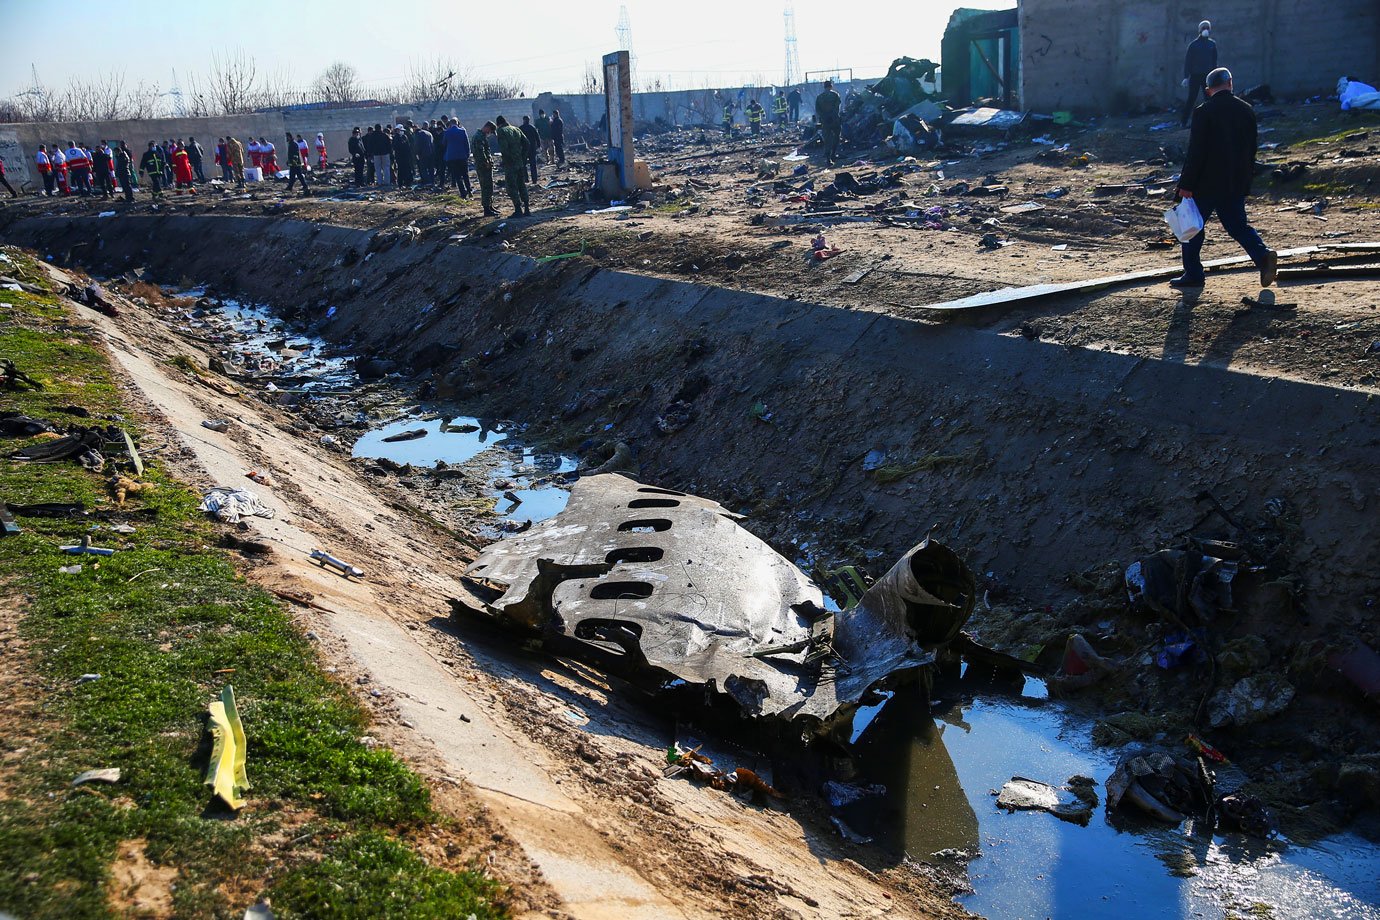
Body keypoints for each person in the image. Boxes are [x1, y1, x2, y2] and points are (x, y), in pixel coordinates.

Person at [1172, 67, 1276, 290]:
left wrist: (1186, 185)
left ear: (1208, 90)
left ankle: (1193, 273)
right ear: (1230, 83)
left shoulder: (1204, 111)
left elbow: (1196, 151)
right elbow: (1251, 149)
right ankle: (1263, 256)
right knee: (1238, 227)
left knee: (1191, 227)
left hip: (1205, 183)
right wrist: (1246, 179)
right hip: (1235, 182)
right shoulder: (1246, 110)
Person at [1181, 21, 1217, 127]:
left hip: (1208, 76)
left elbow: (1214, 61)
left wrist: (1215, 74)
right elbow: (1188, 61)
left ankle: (1211, 121)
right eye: (1203, 27)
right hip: (1195, 75)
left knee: (1209, 100)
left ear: (1209, 29)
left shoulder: (1212, 44)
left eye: (1207, 27)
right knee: (1191, 99)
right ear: (1199, 30)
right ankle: (1183, 122)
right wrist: (1185, 77)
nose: (1205, 29)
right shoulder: (1193, 45)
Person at [495, 115, 530, 217]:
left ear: (498, 124)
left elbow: (504, 149)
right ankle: (527, 208)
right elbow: (527, 143)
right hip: (520, 162)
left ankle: (518, 209)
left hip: (510, 163)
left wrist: (506, 160)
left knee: (511, 186)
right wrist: (523, 157)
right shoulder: (516, 129)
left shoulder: (501, 131)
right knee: (522, 185)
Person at [473, 121, 499, 216]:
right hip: (483, 166)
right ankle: (486, 209)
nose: (490, 134)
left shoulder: (482, 136)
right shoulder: (478, 137)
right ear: (487, 127)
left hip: (486, 166)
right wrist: (486, 162)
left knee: (490, 186)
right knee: (485, 187)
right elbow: (480, 152)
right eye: (490, 131)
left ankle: (490, 205)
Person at [442, 118, 471, 195]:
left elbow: (444, 143)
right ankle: (469, 190)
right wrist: (467, 154)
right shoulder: (462, 131)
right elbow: (467, 144)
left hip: (452, 157)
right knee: (465, 175)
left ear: (450, 124)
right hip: (462, 155)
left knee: (457, 176)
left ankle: (463, 192)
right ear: (458, 123)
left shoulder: (447, 132)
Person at [815, 79, 842, 165]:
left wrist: (824, 117)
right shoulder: (835, 95)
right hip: (834, 120)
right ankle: (833, 154)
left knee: (827, 140)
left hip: (825, 121)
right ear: (831, 86)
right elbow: (837, 108)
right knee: (836, 137)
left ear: (824, 87)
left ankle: (828, 159)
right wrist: (832, 116)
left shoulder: (819, 97)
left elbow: (818, 110)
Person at [365, 123, 391, 187]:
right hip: (385, 153)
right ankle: (387, 181)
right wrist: (389, 152)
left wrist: (370, 154)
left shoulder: (372, 136)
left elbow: (369, 146)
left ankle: (379, 182)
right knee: (386, 167)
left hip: (376, 154)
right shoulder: (385, 135)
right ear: (381, 128)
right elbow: (389, 144)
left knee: (378, 168)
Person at [285, 131, 311, 196]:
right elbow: (290, 154)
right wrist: (289, 161)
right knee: (292, 175)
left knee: (299, 175)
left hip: (296, 164)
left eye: (287, 137)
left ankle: (304, 186)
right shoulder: (291, 144)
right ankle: (290, 187)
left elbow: (295, 154)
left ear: (289, 137)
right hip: (293, 164)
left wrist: (293, 161)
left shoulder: (294, 144)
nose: (286, 138)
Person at [519, 115, 540, 182]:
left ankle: (526, 179)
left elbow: (518, 139)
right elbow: (537, 137)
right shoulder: (532, 127)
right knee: (533, 165)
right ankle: (534, 179)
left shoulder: (520, 128)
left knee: (524, 165)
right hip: (532, 148)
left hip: (524, 149)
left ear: (523, 120)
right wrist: (538, 145)